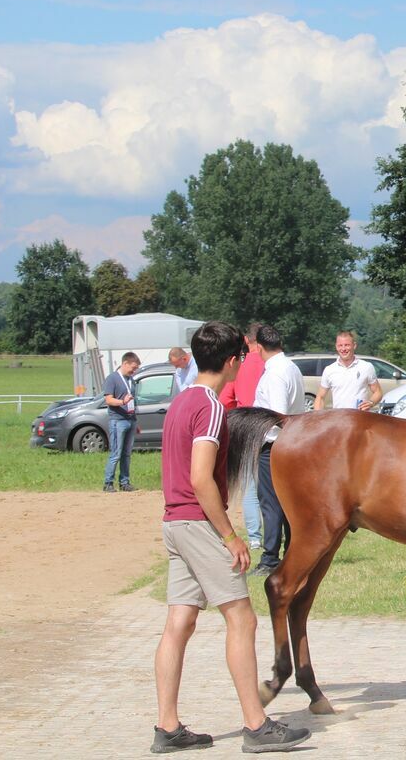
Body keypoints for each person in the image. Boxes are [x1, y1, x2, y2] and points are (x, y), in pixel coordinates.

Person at [151, 320, 310, 754]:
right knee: (242, 618)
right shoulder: (212, 407)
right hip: (199, 524)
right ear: (231, 360)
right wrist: (230, 535)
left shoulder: (181, 400)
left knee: (179, 623)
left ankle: (167, 727)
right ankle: (256, 726)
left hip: (173, 522)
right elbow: (202, 478)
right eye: (242, 357)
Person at [251, 324, 305, 577]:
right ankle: (290, 551)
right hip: (292, 442)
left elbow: (277, 413)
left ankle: (270, 558)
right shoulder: (291, 367)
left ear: (259, 347)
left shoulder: (274, 373)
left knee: (271, 502)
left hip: (274, 444)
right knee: (286, 502)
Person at [220, 324, 264, 551]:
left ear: (247, 341)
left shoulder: (241, 368)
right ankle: (277, 532)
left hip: (247, 431)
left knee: (249, 488)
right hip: (272, 432)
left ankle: (255, 537)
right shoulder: (271, 365)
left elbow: (226, 400)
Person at [313, 331, 382, 412]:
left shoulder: (366, 367)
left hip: (360, 419)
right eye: (340, 345)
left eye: (347, 345)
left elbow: (378, 392)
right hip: (339, 419)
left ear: (354, 345)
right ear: (336, 346)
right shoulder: (329, 370)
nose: (343, 349)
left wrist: (371, 402)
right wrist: (318, 417)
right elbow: (320, 397)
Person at [102, 352, 140, 492]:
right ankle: (108, 483)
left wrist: (136, 420)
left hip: (130, 419)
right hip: (118, 420)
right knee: (116, 453)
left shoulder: (131, 379)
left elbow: (133, 400)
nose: (134, 370)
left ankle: (124, 482)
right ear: (125, 364)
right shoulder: (112, 379)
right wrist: (122, 402)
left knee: (127, 453)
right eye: (133, 367)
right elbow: (109, 400)